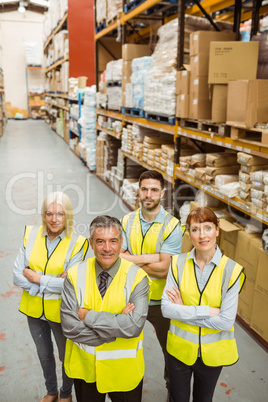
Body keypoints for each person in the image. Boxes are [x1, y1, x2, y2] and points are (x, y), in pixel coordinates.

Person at [60, 215, 150, 402]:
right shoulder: (74, 276)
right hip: (86, 370)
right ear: (91, 243)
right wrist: (116, 324)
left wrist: (88, 316)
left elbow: (133, 327)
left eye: (113, 241)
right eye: (100, 241)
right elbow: (69, 327)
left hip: (123, 372)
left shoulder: (137, 277)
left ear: (121, 242)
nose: (107, 248)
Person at [161, 207, 245, 402]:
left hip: (212, 356)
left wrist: (182, 311)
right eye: (195, 229)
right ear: (189, 233)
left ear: (217, 230)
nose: (202, 235)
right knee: (177, 399)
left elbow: (225, 322)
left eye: (207, 228)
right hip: (179, 351)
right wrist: (208, 311)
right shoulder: (177, 264)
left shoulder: (232, 271)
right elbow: (166, 309)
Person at [13, 192, 89, 402]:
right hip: (34, 309)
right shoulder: (30, 234)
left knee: (66, 357)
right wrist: (50, 282)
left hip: (61, 311)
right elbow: (17, 276)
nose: (54, 219)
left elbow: (70, 284)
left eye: (60, 214)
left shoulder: (78, 243)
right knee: (44, 354)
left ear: (68, 216)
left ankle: (66, 393)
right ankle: (51, 391)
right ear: (43, 215)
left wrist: (36, 277)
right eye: (49, 213)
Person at [120, 170, 184, 394]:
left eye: (154, 190)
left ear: (162, 193)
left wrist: (132, 259)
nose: (149, 194)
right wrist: (152, 257)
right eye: (144, 189)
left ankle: (172, 391)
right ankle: (127, 391)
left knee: (171, 353)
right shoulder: (126, 221)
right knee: (124, 348)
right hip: (131, 299)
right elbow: (118, 260)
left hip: (160, 302)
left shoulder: (172, 225)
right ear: (138, 191)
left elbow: (165, 269)